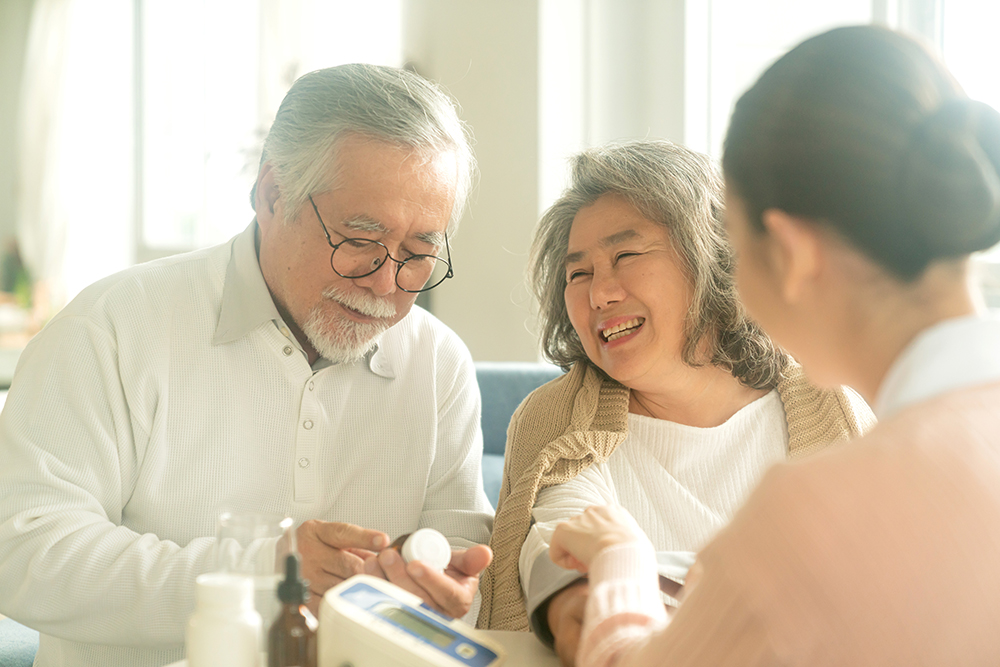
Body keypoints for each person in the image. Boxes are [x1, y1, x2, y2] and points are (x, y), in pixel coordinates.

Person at [0, 63, 494, 667]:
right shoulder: (110, 329)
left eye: (420, 252)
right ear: (270, 195)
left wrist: (444, 588)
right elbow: (22, 552)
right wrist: (263, 573)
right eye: (360, 240)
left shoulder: (438, 364)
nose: (387, 283)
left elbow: (462, 552)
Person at [549, 25, 1000, 666]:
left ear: (790, 252)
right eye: (580, 272)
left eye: (734, 239)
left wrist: (623, 559)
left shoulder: (816, 512)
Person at [476, 141, 874, 658]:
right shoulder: (558, 425)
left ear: (710, 255)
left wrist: (644, 577)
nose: (600, 294)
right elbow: (578, 614)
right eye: (579, 273)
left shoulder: (831, 405)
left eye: (625, 255)